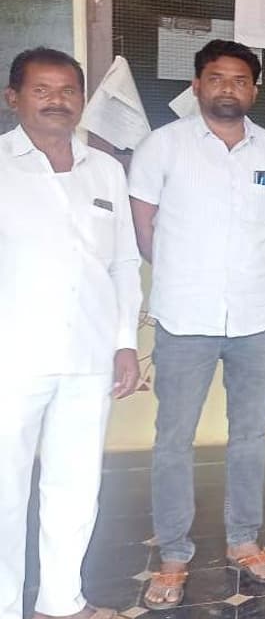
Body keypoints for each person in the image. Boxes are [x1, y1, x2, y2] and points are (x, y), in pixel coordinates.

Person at [130, 40, 265, 610]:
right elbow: (143, 227)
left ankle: (243, 540)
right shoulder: (163, 146)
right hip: (186, 318)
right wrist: (185, 272)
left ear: (254, 89)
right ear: (197, 85)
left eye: (240, 79)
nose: (229, 88)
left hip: (257, 315)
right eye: (217, 78)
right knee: (173, 440)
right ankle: (173, 554)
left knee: (250, 435)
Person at [0, 48, 142, 619]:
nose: (57, 101)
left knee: (75, 486)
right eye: (42, 90)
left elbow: (124, 262)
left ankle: (61, 601)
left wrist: (125, 341)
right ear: (13, 98)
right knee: (5, 492)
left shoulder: (105, 170)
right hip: (13, 357)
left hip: (89, 353)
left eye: (67, 91)